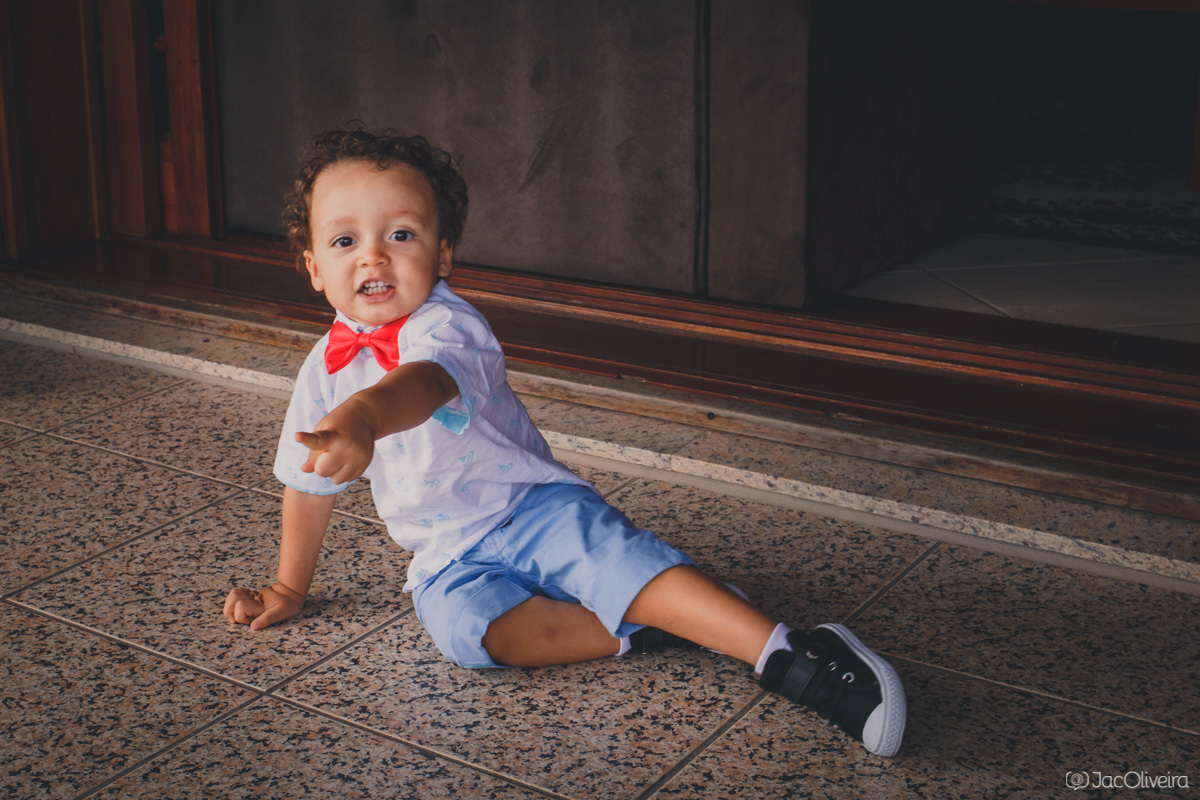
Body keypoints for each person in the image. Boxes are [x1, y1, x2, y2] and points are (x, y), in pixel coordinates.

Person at [222, 128, 906, 757]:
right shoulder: (323, 368)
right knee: (474, 636)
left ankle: (795, 654)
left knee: (612, 562)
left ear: (443, 253)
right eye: (345, 242)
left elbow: (421, 385)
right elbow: (307, 486)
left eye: (401, 234)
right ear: (313, 267)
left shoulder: (448, 328)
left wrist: (365, 418)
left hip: (534, 511)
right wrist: (289, 586)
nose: (373, 254)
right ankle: (657, 622)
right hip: (446, 554)